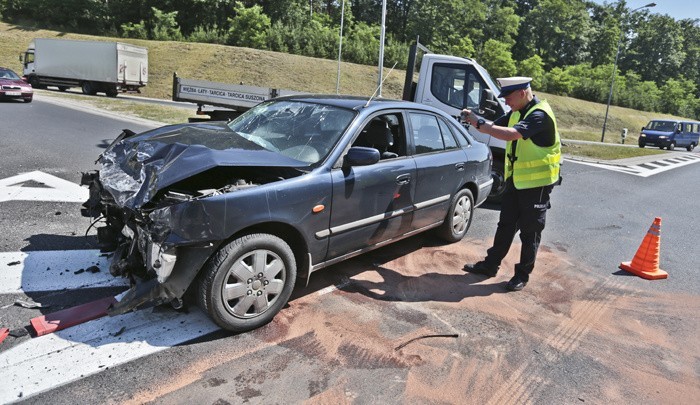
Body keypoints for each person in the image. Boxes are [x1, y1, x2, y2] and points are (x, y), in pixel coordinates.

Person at [461, 76, 561, 291]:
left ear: (523, 92)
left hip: (537, 185)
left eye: (508, 97)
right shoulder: (517, 111)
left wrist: (480, 123)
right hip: (517, 180)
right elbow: (494, 126)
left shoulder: (539, 115)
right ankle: (490, 265)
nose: (506, 102)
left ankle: (522, 275)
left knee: (530, 231)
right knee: (506, 224)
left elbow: (511, 135)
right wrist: (474, 118)